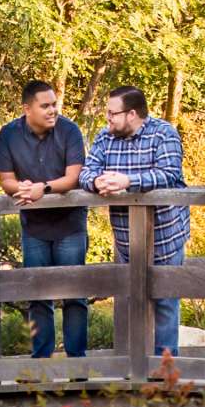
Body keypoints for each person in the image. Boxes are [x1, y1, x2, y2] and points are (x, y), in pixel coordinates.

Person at [80, 85, 187, 358]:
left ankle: (165, 373)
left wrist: (128, 181)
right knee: (131, 301)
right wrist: (96, 181)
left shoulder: (164, 134)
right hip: (126, 238)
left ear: (132, 114)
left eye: (112, 113)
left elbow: (169, 173)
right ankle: (134, 369)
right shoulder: (105, 137)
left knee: (165, 302)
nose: (107, 119)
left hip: (166, 234)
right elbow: (86, 171)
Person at [0, 79, 88, 360]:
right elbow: (6, 180)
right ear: (27, 109)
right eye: (45, 105)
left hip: (70, 224)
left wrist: (42, 188)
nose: (52, 110)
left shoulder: (69, 131)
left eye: (54, 105)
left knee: (75, 293)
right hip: (33, 226)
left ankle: (77, 362)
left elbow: (73, 178)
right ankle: (41, 361)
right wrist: (22, 189)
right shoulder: (9, 135)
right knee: (38, 293)